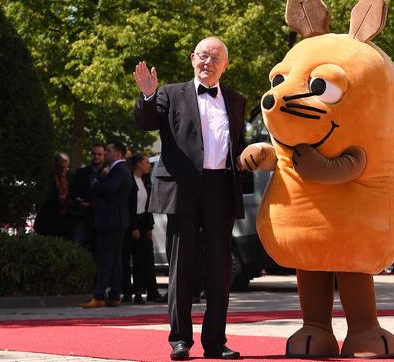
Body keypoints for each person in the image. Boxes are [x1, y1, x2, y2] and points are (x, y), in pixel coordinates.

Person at [133, 37, 246, 360]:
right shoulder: (170, 94)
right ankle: (180, 340)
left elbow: (238, 146)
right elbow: (145, 122)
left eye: (215, 58)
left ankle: (215, 341)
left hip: (220, 189)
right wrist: (148, 94)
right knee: (181, 268)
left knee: (220, 270)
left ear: (225, 65)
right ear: (192, 59)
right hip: (182, 188)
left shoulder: (236, 100)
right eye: (202, 56)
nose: (207, 63)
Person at [80, 141, 133, 308]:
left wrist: (98, 180)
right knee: (116, 260)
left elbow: (107, 189)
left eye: (109, 150)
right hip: (116, 221)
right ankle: (115, 295)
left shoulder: (117, 171)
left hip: (111, 221)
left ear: (117, 153)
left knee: (106, 259)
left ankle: (99, 295)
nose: (106, 153)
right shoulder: (122, 170)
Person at [122, 154, 163, 304]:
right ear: (138, 164)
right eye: (146, 163)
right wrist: (133, 227)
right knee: (128, 260)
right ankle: (128, 292)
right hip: (131, 225)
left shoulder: (145, 182)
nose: (148, 166)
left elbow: (147, 207)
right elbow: (128, 207)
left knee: (145, 260)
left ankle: (147, 291)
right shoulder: (130, 181)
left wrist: (149, 228)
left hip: (143, 225)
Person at [69, 144, 106, 255]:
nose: (96, 157)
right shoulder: (81, 173)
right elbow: (73, 192)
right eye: (94, 154)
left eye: (99, 154)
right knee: (77, 248)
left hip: (101, 218)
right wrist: (79, 201)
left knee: (99, 250)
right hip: (82, 217)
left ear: (104, 155)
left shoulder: (109, 173)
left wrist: (93, 204)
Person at [34, 152, 72, 239]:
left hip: (65, 223)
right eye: (62, 167)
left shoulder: (70, 177)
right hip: (47, 221)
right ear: (55, 166)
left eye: (66, 167)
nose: (64, 170)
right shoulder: (46, 178)